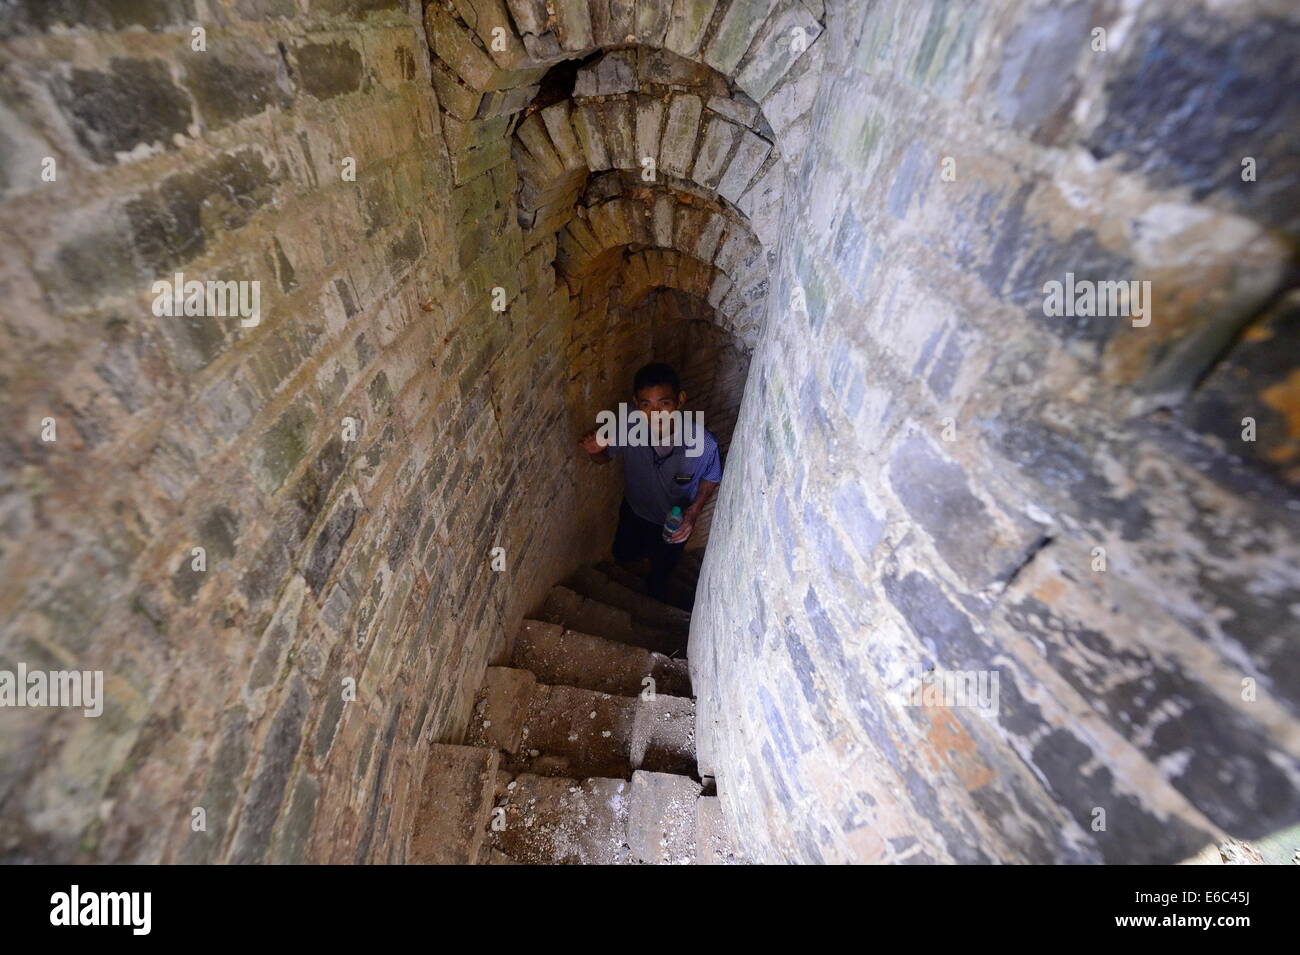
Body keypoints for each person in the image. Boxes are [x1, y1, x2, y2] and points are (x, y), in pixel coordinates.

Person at [578, 362, 722, 601]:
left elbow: (712, 476)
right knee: (624, 554)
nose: (655, 415)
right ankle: (629, 580)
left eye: (663, 404)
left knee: (662, 570)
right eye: (647, 405)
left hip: (673, 521)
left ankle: (654, 595)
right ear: (636, 404)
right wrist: (594, 450)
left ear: (680, 400)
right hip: (635, 511)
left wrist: (694, 512)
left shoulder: (704, 444)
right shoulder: (628, 424)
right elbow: (603, 458)